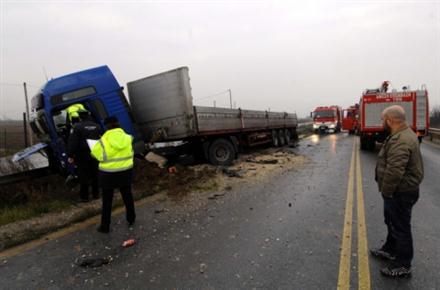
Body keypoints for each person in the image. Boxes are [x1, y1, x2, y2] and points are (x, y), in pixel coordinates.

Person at [371, 105, 424, 278]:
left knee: (401, 228)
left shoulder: (401, 139)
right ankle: (390, 249)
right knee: (392, 222)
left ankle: (403, 264)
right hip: (397, 191)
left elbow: (395, 171)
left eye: (382, 119)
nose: (382, 122)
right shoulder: (400, 135)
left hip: (400, 192)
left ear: (390, 120)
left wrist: (386, 192)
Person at [91, 116, 136, 233]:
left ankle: (105, 226)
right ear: (118, 124)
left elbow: (97, 155)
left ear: (106, 126)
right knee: (127, 195)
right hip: (126, 171)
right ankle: (131, 218)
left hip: (108, 174)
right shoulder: (127, 138)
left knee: (107, 200)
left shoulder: (103, 141)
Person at [67, 110, 101, 202]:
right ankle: (96, 194)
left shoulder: (77, 127)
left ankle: (84, 197)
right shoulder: (97, 126)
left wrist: (70, 154)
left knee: (83, 176)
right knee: (95, 174)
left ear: (80, 117)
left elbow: (73, 142)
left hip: (82, 155)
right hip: (95, 154)